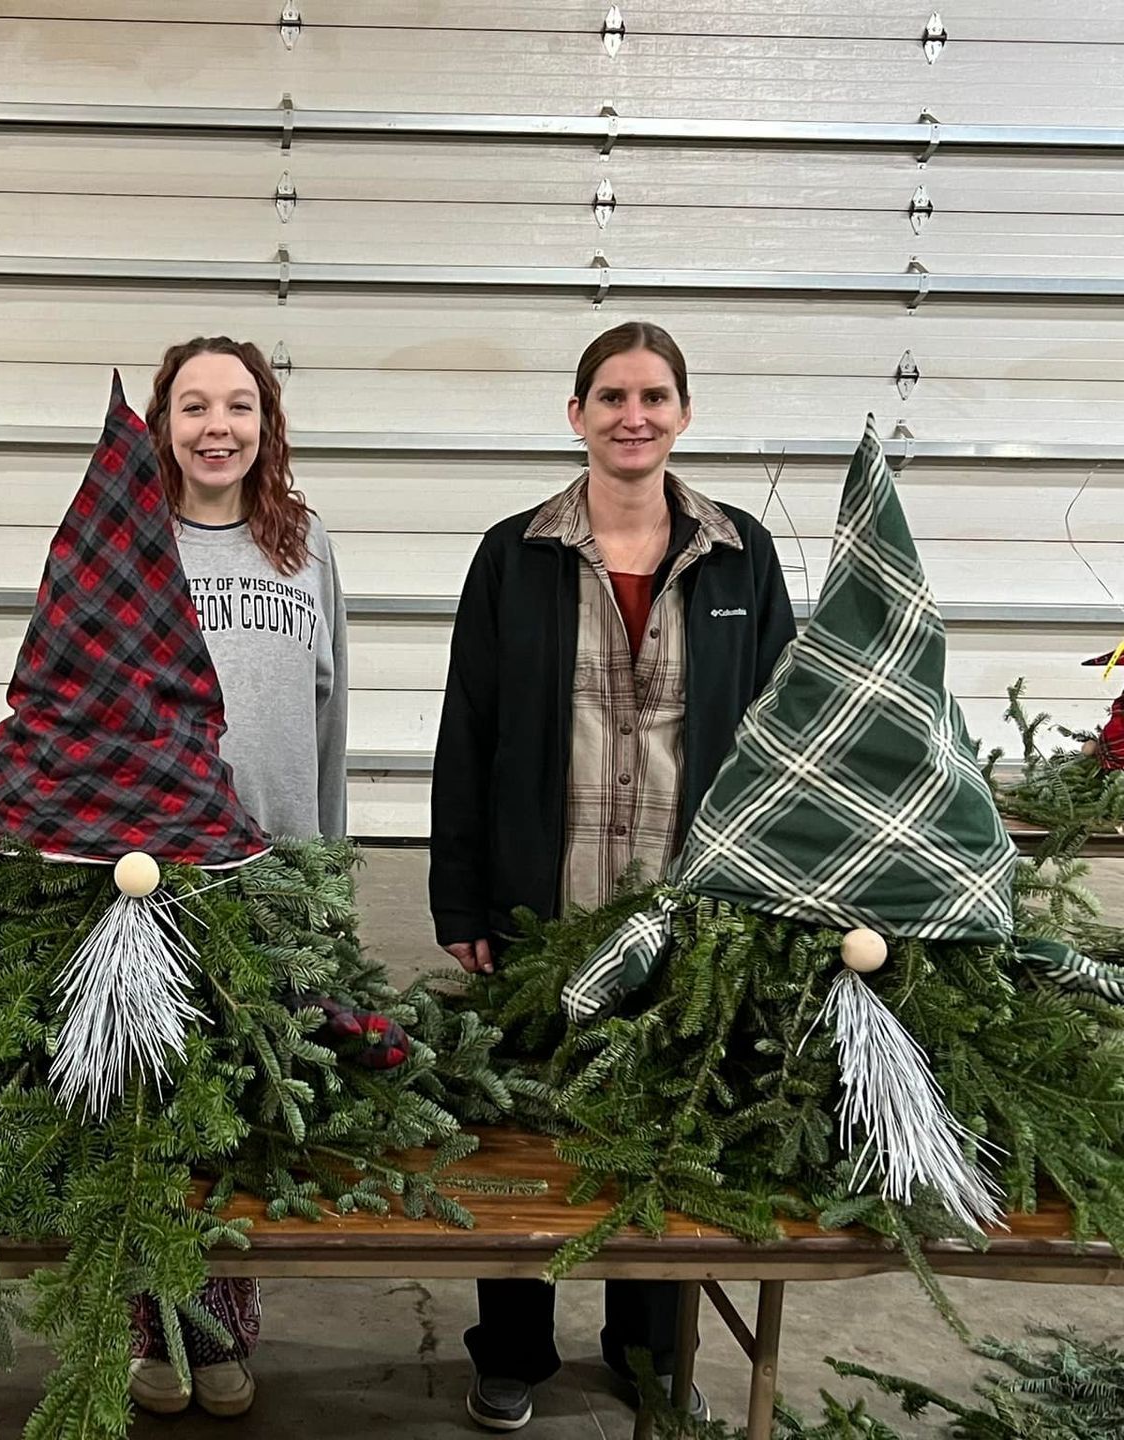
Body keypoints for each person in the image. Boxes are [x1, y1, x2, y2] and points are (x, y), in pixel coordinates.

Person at [429, 321, 796, 1432]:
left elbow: (783, 735)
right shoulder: (514, 554)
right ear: (576, 414)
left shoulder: (742, 557)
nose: (631, 416)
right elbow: (468, 730)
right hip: (544, 910)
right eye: (610, 396)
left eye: (653, 396)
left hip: (687, 918)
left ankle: (651, 1347)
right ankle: (512, 1350)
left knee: (668, 1131)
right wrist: (463, 900)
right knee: (523, 1135)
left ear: (684, 413)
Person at [124, 336, 350, 1419]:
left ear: (268, 421)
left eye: (241, 405)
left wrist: (329, 873)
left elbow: (327, 720)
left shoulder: (303, 551)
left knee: (243, 1111)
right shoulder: (130, 547)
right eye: (194, 405)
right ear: (162, 421)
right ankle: (151, 1328)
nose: (219, 426)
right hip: (152, 878)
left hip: (276, 881)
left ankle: (221, 1331)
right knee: (155, 1106)